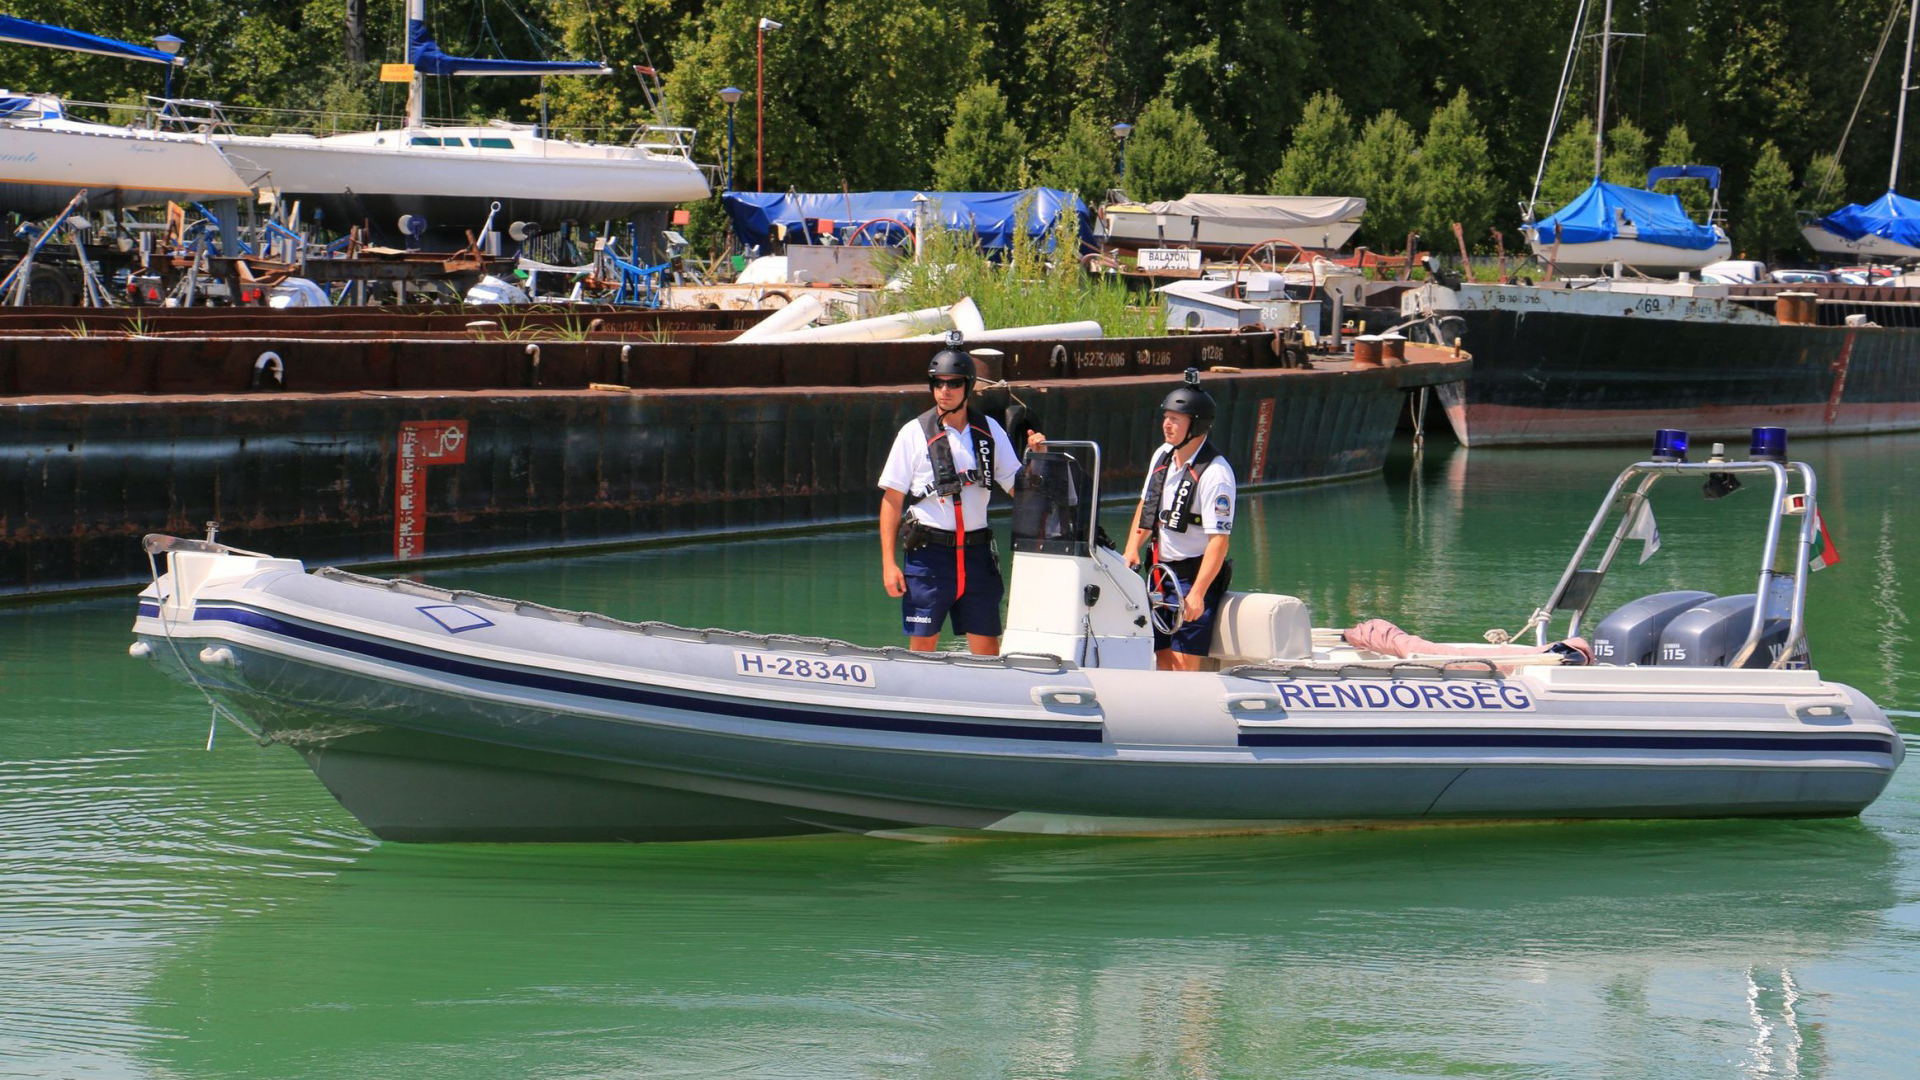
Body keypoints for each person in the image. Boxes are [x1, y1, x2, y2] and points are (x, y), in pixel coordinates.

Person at [878, 333, 1045, 655]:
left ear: (968, 386)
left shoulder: (989, 431)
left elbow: (1018, 488)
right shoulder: (913, 433)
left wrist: (1037, 458)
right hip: (929, 557)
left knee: (986, 646)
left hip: (976, 555)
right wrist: (888, 563)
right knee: (923, 647)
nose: (944, 391)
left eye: (953, 384)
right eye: (938, 383)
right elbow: (892, 500)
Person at [1123, 370, 1237, 671]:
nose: (1166, 424)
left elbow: (1219, 541)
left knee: (1186, 665)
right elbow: (1147, 505)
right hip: (1159, 573)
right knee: (1161, 655)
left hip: (1192, 576)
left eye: (1176, 418)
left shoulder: (1216, 474)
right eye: (1166, 417)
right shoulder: (1162, 456)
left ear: (1196, 424)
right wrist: (1132, 548)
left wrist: (1198, 593)